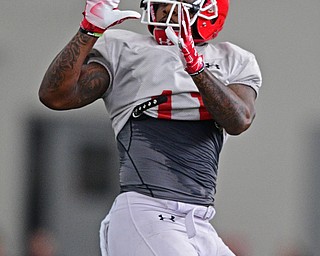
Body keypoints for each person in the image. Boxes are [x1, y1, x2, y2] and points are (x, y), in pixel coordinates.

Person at [39, 0, 262, 255]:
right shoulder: (126, 49)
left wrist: (196, 68)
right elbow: (55, 96)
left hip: (198, 221)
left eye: (174, 8)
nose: (163, 13)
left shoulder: (234, 60)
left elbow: (239, 120)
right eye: (161, 6)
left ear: (208, 12)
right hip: (147, 209)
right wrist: (88, 30)